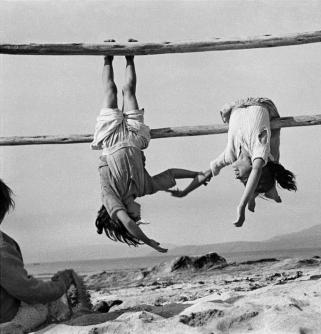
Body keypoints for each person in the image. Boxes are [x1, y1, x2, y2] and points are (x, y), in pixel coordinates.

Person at [92, 40, 210, 253]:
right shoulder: (144, 188)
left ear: (124, 212)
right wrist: (196, 173)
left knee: (110, 91)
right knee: (129, 92)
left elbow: (127, 224)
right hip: (135, 139)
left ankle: (107, 58)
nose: (139, 213)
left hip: (110, 139)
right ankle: (130, 56)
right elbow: (171, 173)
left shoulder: (111, 198)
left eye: (136, 216)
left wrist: (149, 242)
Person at [194, 97, 297, 227]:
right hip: (260, 104)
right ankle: (262, 191)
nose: (236, 176)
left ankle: (257, 193)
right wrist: (242, 206)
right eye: (243, 178)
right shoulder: (259, 150)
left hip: (235, 107)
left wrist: (185, 191)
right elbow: (256, 170)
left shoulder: (230, 156)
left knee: (270, 162)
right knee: (272, 156)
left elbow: (210, 170)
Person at [0, 179, 76, 332]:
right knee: (43, 306)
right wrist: (60, 285)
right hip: (7, 318)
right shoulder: (3, 248)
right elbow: (28, 291)